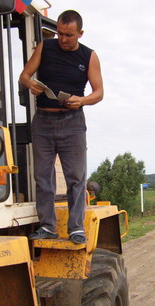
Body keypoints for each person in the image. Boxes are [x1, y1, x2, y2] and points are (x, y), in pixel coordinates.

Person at [19, 10, 103, 244]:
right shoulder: (45, 47)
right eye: (60, 33)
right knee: (42, 177)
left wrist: (82, 100)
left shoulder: (89, 56)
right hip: (43, 121)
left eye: (69, 35)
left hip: (73, 122)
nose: (63, 39)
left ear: (80, 33)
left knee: (76, 178)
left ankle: (76, 228)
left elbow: (99, 93)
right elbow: (24, 75)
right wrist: (31, 84)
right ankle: (47, 227)